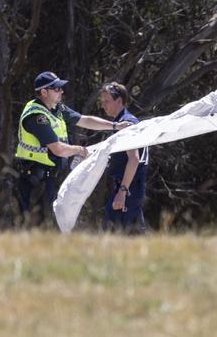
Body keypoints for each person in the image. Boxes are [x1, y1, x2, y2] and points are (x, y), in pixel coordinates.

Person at [14, 71, 132, 226]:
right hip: (34, 180)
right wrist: (80, 150)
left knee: (46, 226)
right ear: (44, 92)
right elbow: (57, 149)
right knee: (33, 226)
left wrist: (115, 126)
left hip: (48, 178)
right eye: (56, 88)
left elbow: (85, 120)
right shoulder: (36, 116)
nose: (61, 91)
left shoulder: (57, 109)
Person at [98, 82, 148, 233]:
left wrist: (122, 191)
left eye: (107, 101)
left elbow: (134, 159)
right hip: (124, 188)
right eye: (102, 102)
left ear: (119, 101)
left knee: (121, 236)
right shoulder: (118, 123)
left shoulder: (127, 124)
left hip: (128, 189)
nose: (103, 106)